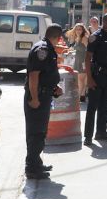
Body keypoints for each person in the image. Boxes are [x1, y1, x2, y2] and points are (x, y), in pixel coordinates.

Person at [24, 24, 64, 179]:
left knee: (40, 131)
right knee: (36, 133)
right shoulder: (43, 50)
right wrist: (34, 98)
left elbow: (45, 75)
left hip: (44, 95)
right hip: (38, 97)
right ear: (58, 37)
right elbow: (34, 76)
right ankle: (32, 168)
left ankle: (36, 162)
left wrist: (55, 87)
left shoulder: (46, 48)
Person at [84, 13, 107, 146]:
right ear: (105, 21)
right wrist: (89, 79)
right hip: (97, 76)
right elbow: (87, 58)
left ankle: (101, 132)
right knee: (92, 107)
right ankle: (88, 136)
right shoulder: (96, 37)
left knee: (106, 106)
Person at [67, 23, 89, 102]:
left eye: (80, 29)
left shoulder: (84, 38)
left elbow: (88, 49)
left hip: (83, 60)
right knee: (81, 79)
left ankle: (79, 96)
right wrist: (71, 50)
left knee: (80, 79)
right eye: (77, 29)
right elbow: (79, 48)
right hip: (78, 59)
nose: (78, 31)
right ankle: (82, 96)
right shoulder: (78, 38)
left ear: (83, 30)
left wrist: (85, 62)